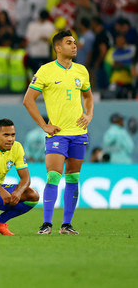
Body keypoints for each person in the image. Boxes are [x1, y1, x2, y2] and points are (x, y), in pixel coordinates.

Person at [23, 30, 94, 235]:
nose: (74, 46)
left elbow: (88, 97)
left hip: (79, 133)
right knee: (53, 176)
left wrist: (88, 116)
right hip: (58, 134)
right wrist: (44, 125)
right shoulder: (45, 71)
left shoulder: (81, 70)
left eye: (75, 42)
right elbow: (28, 100)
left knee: (73, 178)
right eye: (69, 42)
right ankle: (46, 224)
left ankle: (66, 225)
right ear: (58, 48)